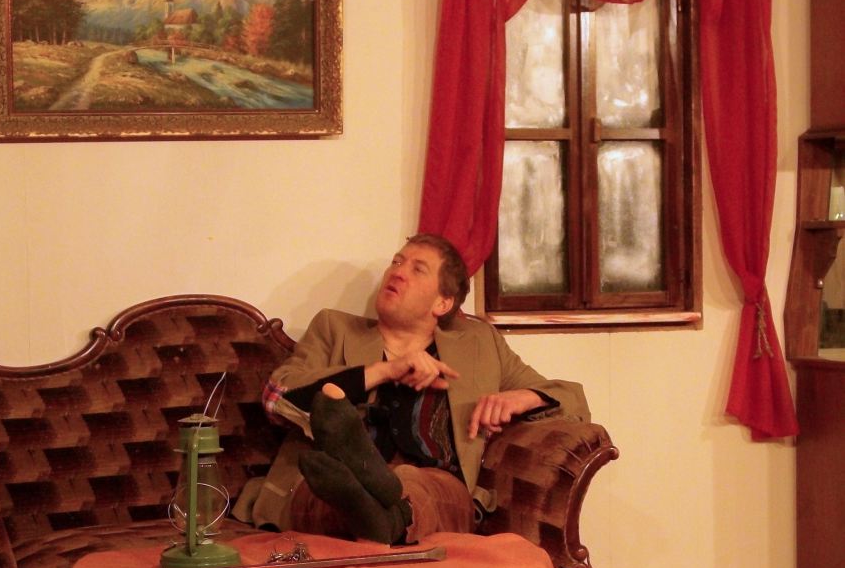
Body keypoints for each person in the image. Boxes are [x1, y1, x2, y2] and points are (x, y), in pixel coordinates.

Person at [233, 233, 589, 543]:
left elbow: (573, 400)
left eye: (417, 269)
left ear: (442, 303)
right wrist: (384, 370)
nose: (398, 272)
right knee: (331, 485)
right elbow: (278, 398)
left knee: (413, 484)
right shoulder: (334, 329)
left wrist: (523, 397)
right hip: (327, 481)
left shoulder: (479, 344)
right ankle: (373, 502)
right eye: (396, 262)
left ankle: (375, 502)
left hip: (434, 485)